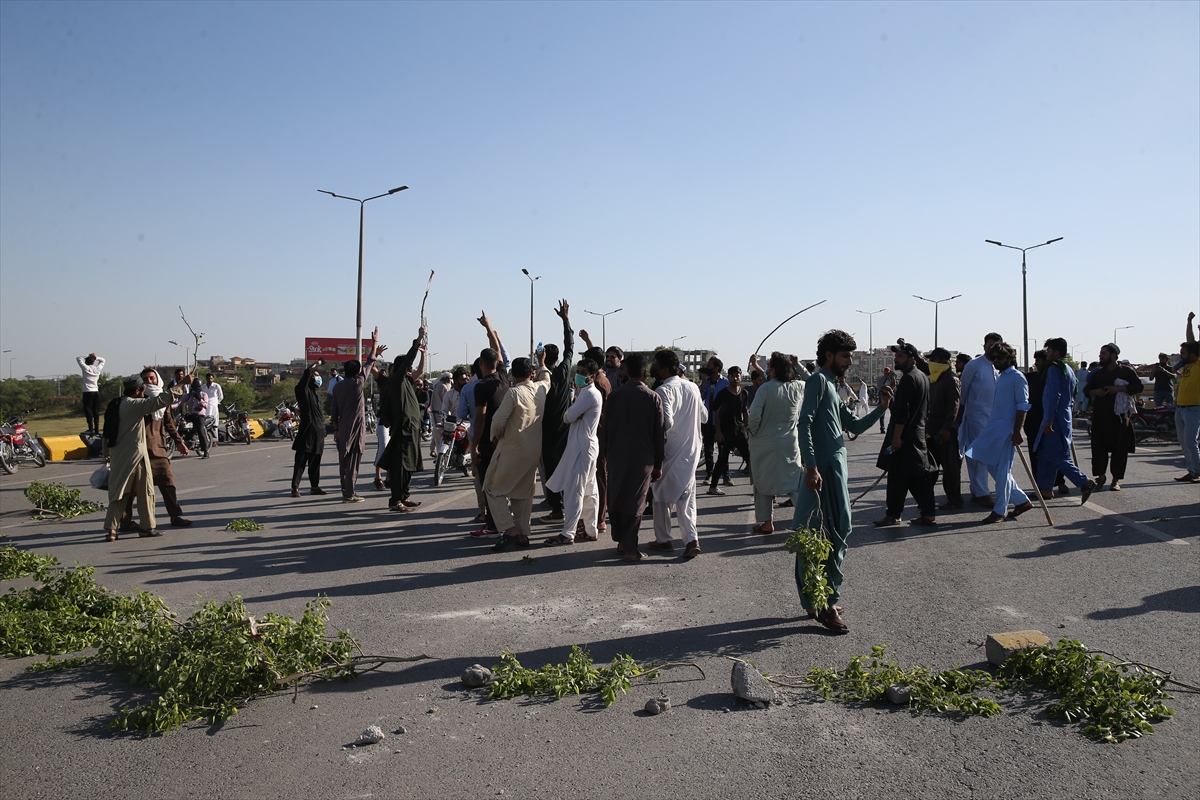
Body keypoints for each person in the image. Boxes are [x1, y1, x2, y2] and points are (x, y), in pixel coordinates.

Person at [793, 330, 890, 634]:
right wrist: (811, 466)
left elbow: (853, 426)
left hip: (835, 468)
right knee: (817, 535)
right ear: (828, 355)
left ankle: (816, 600)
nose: (849, 361)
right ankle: (827, 603)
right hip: (820, 471)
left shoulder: (834, 387)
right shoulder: (818, 381)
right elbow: (804, 424)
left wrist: (882, 409)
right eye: (845, 356)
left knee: (837, 530)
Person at [101, 372, 190, 541]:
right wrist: (181, 385)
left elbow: (106, 433)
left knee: (119, 493)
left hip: (118, 456)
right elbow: (159, 401)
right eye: (143, 388)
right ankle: (147, 527)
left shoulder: (115, 404)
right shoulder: (135, 405)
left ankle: (111, 530)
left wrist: (106, 454)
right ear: (137, 391)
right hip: (137, 456)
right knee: (146, 492)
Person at [602, 353, 664, 561]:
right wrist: (658, 463)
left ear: (626, 372)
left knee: (618, 498)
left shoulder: (615, 396)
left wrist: (605, 455)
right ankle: (630, 548)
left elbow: (606, 429)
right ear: (645, 373)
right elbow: (659, 435)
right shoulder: (653, 397)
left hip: (617, 456)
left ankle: (621, 540)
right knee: (636, 503)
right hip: (642, 459)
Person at [485, 355, 552, 551]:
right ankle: (523, 534)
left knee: (492, 488)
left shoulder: (514, 393)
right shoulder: (540, 388)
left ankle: (510, 529)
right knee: (523, 493)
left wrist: (494, 437)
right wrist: (542, 362)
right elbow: (547, 377)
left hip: (513, 448)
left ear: (512, 374)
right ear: (531, 373)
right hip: (533, 450)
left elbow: (497, 421)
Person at [963, 342, 1034, 523]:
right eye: (993, 358)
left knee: (1002, 471)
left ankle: (999, 510)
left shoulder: (1017, 377)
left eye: (999, 357)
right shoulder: (1001, 376)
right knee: (986, 461)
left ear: (1010, 358)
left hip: (1006, 431)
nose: (996, 361)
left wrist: (1017, 431)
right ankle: (1021, 500)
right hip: (992, 427)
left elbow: (1022, 406)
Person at [649, 349, 707, 559]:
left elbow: (667, 422)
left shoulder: (665, 390)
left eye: (656, 364)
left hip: (671, 450)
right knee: (686, 496)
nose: (654, 368)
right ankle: (690, 539)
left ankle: (664, 540)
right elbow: (704, 417)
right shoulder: (693, 387)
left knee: (661, 495)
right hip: (691, 450)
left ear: (664, 369)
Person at [873, 342, 937, 528]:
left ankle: (893, 515)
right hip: (916, 434)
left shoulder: (910, 378)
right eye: (896, 356)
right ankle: (927, 513)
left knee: (897, 478)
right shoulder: (922, 377)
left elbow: (902, 413)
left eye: (900, 356)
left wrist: (895, 439)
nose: (896, 359)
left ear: (911, 359)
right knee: (916, 477)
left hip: (905, 436)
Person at [543, 358, 603, 545]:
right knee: (589, 491)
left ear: (592, 376)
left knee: (574, 491)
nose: (578, 375)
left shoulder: (588, 395)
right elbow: (572, 416)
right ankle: (590, 530)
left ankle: (568, 533)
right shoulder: (587, 393)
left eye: (583, 372)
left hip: (582, 448)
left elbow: (567, 417)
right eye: (578, 371)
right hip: (587, 446)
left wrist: (573, 412)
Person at [747, 353, 806, 533]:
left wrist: (753, 433)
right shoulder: (799, 387)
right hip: (790, 442)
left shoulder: (765, 389)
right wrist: (800, 367)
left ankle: (767, 523)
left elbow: (754, 416)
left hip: (763, 444)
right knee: (793, 482)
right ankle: (806, 519)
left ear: (772, 370)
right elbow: (814, 382)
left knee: (762, 483)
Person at [1033, 338, 1096, 502]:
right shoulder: (1068, 368)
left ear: (1057, 352)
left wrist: (1049, 420)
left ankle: (1084, 482)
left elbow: (1054, 394)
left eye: (1049, 350)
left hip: (1054, 418)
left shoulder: (1054, 369)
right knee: (1045, 452)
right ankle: (1045, 488)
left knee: (1056, 455)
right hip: (1064, 416)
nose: (1046, 353)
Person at [470, 313, 511, 537]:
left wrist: (475, 446)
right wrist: (489, 327)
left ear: (480, 364)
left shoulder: (481, 386)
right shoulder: (503, 377)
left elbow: (480, 417)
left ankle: (494, 525)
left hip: (488, 441)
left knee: (488, 484)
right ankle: (501, 521)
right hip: (505, 439)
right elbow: (496, 349)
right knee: (501, 484)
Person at [1083, 343, 1144, 491]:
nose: (1100, 356)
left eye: (1103, 353)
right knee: (1098, 449)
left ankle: (1115, 480)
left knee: (1120, 450)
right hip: (1100, 416)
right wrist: (1096, 392)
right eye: (1100, 353)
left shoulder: (1127, 372)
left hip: (1120, 418)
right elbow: (1086, 390)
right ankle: (1101, 476)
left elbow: (1138, 387)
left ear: (1113, 355)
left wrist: (1120, 389)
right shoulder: (1098, 374)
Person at [330, 328, 382, 502]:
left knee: (343, 461)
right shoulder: (358, 383)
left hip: (342, 427)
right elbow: (369, 362)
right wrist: (374, 343)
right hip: (356, 427)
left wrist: (335, 429)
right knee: (353, 460)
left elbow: (334, 410)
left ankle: (345, 489)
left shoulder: (337, 387)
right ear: (357, 371)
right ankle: (350, 493)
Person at [378, 326, 427, 512]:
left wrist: (423, 352)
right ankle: (395, 500)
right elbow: (408, 359)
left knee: (410, 465)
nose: (411, 369)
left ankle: (404, 496)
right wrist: (418, 340)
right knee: (401, 466)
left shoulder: (407, 381)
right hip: (404, 428)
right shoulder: (396, 380)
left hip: (413, 428)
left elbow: (420, 370)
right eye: (408, 367)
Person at [538, 300, 575, 525]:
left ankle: (556, 509)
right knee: (564, 468)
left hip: (547, 430)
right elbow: (569, 347)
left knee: (551, 471)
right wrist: (566, 320)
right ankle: (565, 505)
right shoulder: (563, 371)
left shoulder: (543, 376)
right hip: (564, 428)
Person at [958, 332, 1003, 507]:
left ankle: (977, 489)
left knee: (979, 455)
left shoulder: (1000, 367)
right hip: (976, 415)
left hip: (996, 418)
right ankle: (983, 492)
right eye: (990, 345)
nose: (992, 348)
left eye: (996, 345)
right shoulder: (974, 366)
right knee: (982, 453)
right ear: (984, 346)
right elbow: (962, 393)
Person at [1022, 350, 1068, 497]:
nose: (1036, 363)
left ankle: (1061, 482)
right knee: (1036, 455)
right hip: (1033, 421)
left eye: (1039, 360)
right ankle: (1041, 486)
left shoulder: (1054, 375)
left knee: (1054, 452)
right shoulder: (1033, 377)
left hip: (1048, 420)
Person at [924, 347, 963, 509]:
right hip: (931, 430)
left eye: (932, 360)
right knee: (929, 469)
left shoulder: (950, 379)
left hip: (945, 432)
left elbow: (953, 407)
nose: (930, 363)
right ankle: (926, 501)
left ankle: (954, 500)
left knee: (950, 469)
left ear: (941, 361)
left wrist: (947, 428)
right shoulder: (935, 378)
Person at [708, 366, 751, 496]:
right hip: (725, 433)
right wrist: (718, 432)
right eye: (732, 376)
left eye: (737, 376)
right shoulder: (723, 394)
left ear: (741, 377)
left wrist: (747, 427)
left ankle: (760, 487)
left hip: (740, 432)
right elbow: (716, 413)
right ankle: (712, 487)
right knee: (721, 460)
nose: (735, 378)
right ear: (729, 378)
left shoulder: (744, 393)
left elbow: (745, 412)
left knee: (750, 458)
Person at [290, 358, 329, 497]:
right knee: (301, 461)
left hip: (319, 431)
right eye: (316, 375)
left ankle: (314, 486)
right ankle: (295, 487)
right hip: (307, 430)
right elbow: (306, 374)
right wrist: (315, 364)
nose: (319, 378)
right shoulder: (302, 390)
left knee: (316, 461)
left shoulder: (317, 395)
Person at [1174, 313, 1200, 482]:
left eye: (1183, 353)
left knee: (1191, 442)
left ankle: (1197, 470)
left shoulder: (1198, 364)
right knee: (1184, 444)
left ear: (1192, 354)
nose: (1180, 355)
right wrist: (1189, 322)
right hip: (1180, 409)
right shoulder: (1186, 367)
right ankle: (1192, 471)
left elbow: (1193, 343)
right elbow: (1190, 342)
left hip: (1193, 409)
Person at [697, 357, 729, 482]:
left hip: (720, 421)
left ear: (716, 368)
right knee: (708, 449)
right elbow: (700, 396)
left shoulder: (725, 382)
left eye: (710, 367)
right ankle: (709, 474)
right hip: (708, 420)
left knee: (723, 449)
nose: (707, 369)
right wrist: (704, 382)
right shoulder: (707, 382)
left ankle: (725, 475)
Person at [77, 352, 105, 434]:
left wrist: (89, 355)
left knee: (88, 410)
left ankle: (91, 429)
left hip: (87, 391)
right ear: (93, 362)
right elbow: (103, 360)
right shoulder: (97, 369)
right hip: (96, 391)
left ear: (87, 362)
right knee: (96, 411)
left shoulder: (86, 368)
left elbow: (79, 358)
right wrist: (95, 357)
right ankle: (97, 429)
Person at [182, 379, 211, 458]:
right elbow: (179, 402)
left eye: (198, 387)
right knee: (181, 425)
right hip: (190, 414)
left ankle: (205, 452)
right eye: (194, 387)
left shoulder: (204, 395)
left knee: (200, 431)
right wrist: (169, 406)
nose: (196, 388)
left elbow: (206, 405)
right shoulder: (188, 395)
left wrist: (199, 399)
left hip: (199, 416)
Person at [429, 371, 452, 458]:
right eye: (449, 379)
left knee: (436, 430)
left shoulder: (437, 385)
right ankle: (435, 450)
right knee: (439, 431)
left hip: (436, 411)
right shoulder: (443, 386)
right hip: (441, 412)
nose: (450, 381)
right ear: (446, 378)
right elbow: (446, 400)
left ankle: (433, 449)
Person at [201, 373, 223, 445]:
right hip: (205, 406)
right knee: (206, 423)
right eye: (208, 378)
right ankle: (207, 439)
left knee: (214, 423)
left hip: (214, 405)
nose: (210, 380)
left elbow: (221, 396)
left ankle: (214, 441)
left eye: (211, 378)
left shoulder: (216, 386)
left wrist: (216, 402)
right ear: (206, 379)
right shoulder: (203, 386)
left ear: (213, 379)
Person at [874, 367, 894, 433]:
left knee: (894, 412)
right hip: (882, 397)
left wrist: (893, 381)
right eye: (885, 371)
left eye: (888, 371)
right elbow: (879, 389)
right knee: (882, 413)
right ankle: (882, 428)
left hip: (890, 396)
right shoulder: (881, 379)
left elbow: (894, 387)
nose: (886, 372)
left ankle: (892, 426)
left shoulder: (892, 379)